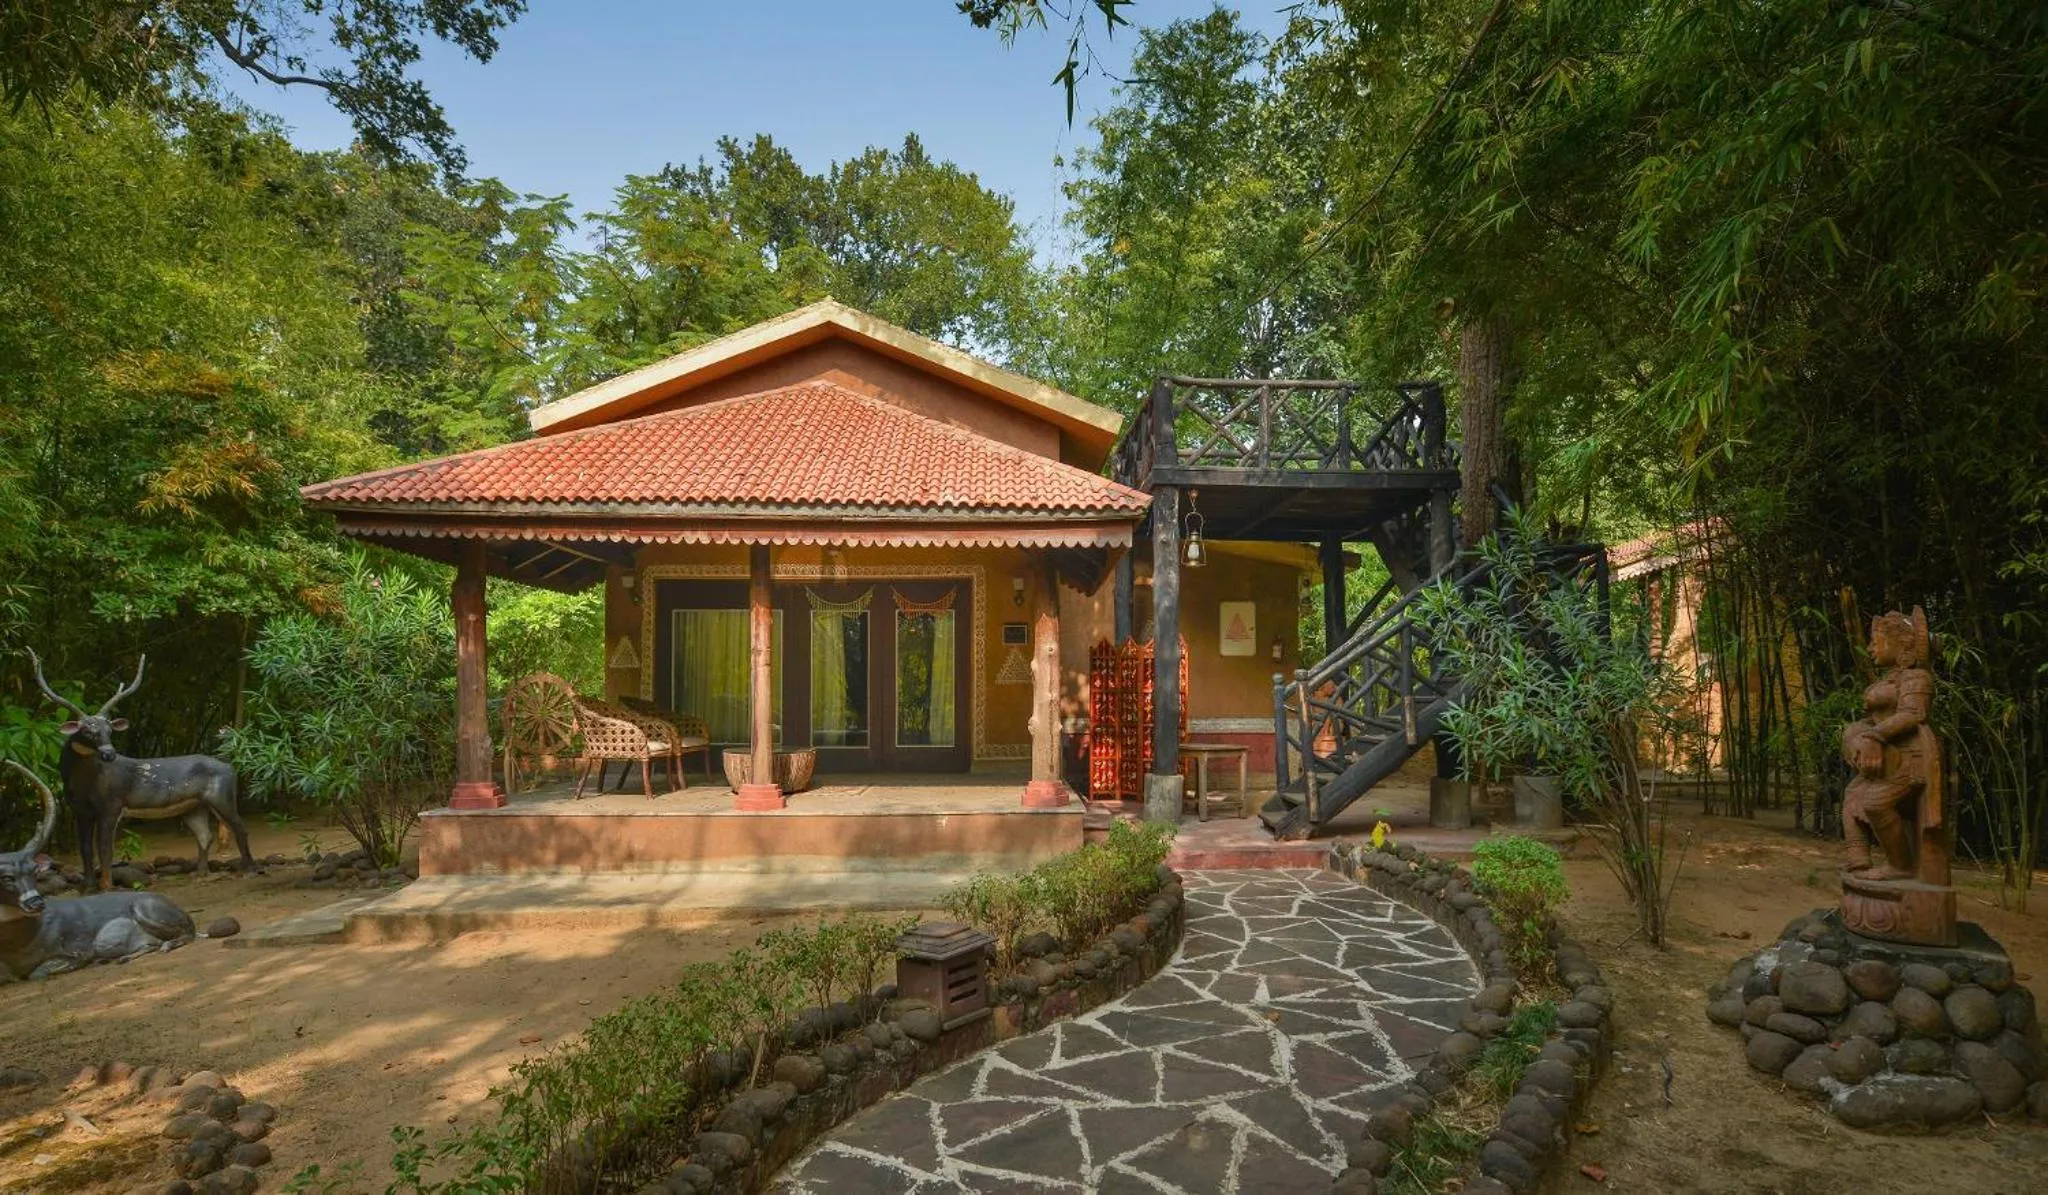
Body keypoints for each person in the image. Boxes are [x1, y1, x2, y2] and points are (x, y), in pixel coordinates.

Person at [1840, 609, 1934, 879]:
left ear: (1900, 644)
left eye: (1875, 641)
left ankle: (1900, 865)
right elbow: (1870, 720)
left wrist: (1874, 736)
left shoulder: (1917, 678)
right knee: (1853, 796)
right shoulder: (1890, 679)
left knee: (1875, 802)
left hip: (1910, 758)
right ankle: (1858, 857)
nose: (1870, 648)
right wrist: (1856, 736)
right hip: (1886, 760)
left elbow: (1912, 714)